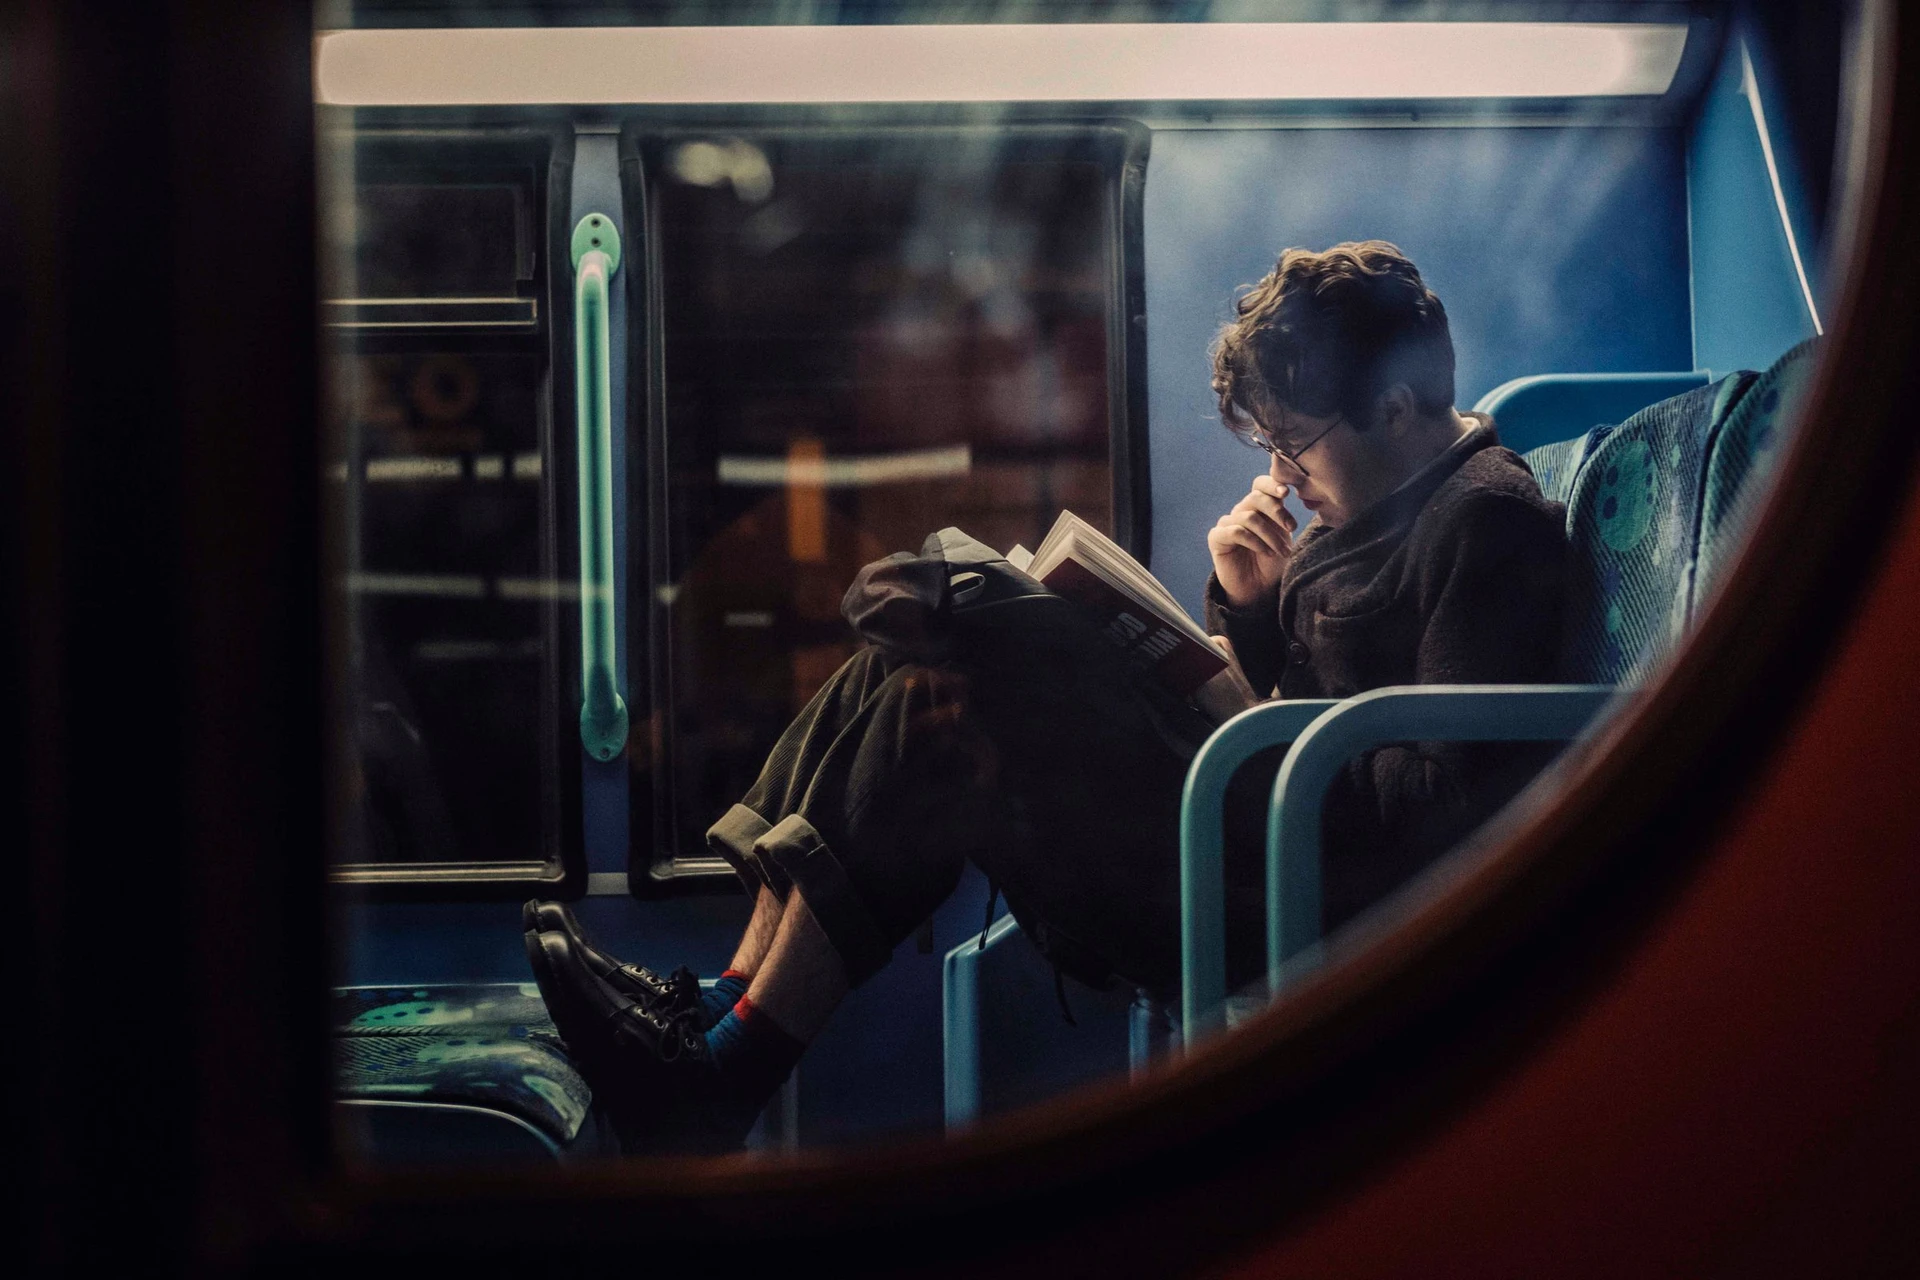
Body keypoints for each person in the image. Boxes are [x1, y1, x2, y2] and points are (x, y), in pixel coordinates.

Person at [524, 241, 1567, 1154]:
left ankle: (724, 1061)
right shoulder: (1363, 504)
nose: (1286, 476)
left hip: (1302, 897)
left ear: (1396, 405)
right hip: (1256, 827)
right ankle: (717, 1025)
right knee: (923, 674)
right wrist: (1244, 611)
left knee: (976, 659)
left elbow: (1438, 815)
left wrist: (1256, 716)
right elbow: (1316, 691)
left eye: (1299, 443)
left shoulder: (1484, 522)